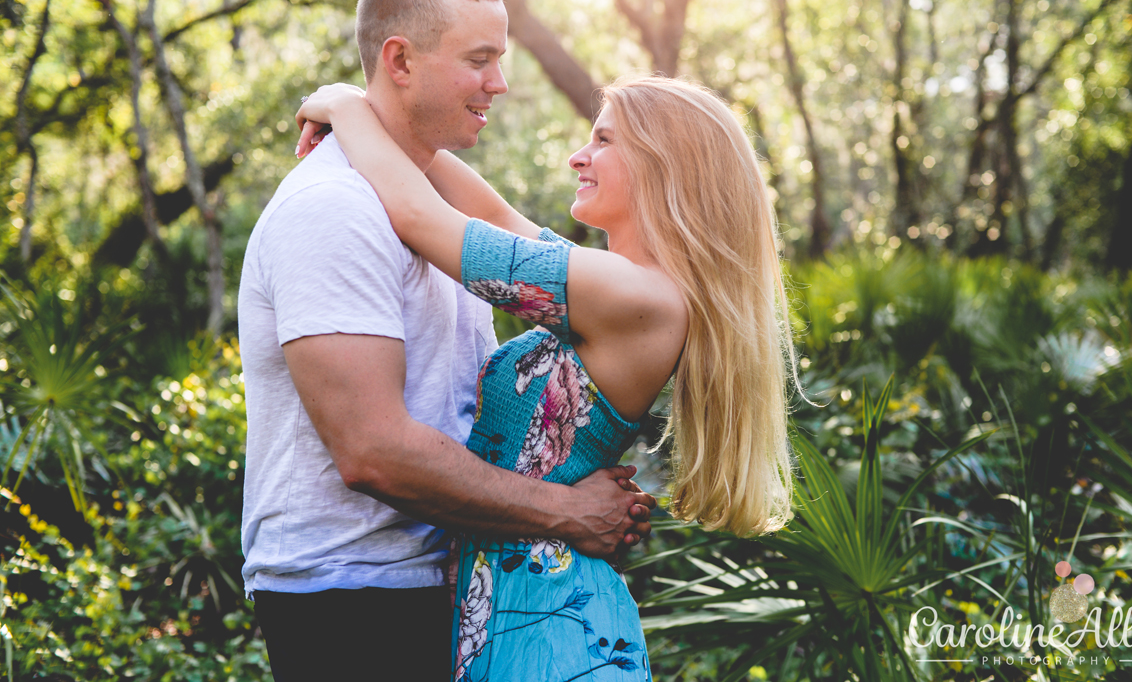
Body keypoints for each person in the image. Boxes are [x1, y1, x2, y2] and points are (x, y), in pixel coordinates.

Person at [294, 72, 797, 681]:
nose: (577, 156)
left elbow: (420, 217)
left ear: (668, 168)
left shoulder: (635, 296)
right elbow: (490, 213)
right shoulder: (612, 283)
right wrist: (386, 115)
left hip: (553, 629)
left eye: (605, 142)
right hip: (515, 607)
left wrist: (346, 105)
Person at [238, 0, 655, 682]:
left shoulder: (449, 223)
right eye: (480, 58)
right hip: (353, 599)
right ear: (399, 59)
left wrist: (346, 104)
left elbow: (437, 208)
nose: (500, 82)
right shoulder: (334, 210)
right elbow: (373, 450)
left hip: (447, 583)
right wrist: (562, 510)